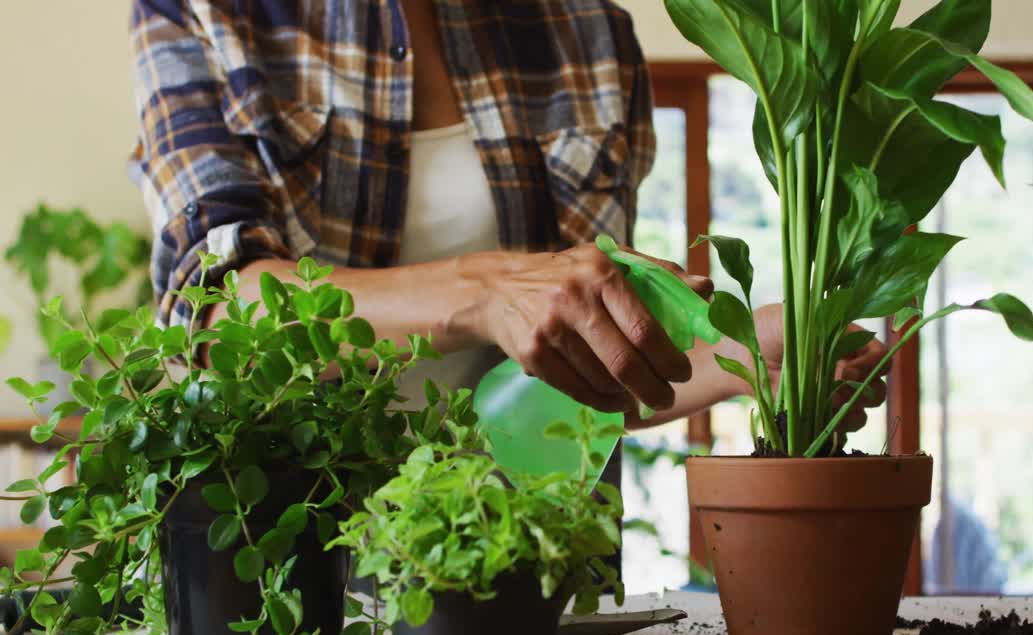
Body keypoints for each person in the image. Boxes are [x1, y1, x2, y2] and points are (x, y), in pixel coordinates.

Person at [128, 0, 888, 439]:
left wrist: (738, 355)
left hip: (529, 562)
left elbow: (579, 351)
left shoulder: (585, 29)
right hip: (298, 589)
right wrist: (489, 288)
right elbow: (220, 310)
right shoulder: (207, 11)